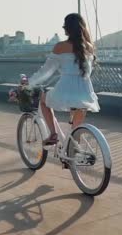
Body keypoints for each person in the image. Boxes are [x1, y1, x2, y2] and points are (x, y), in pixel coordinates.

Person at [26, 13, 99, 145]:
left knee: (43, 100)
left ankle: (53, 134)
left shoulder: (60, 47)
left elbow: (46, 71)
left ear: (67, 29)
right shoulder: (89, 46)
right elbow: (88, 70)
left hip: (65, 88)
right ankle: (73, 149)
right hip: (85, 90)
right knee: (75, 130)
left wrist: (30, 83)